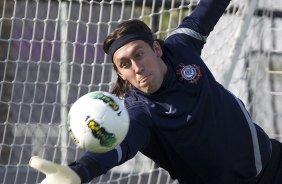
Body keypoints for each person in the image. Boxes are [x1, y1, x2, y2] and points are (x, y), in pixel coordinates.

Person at [29, 0, 282, 183]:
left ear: (156, 49)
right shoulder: (138, 114)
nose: (136, 67)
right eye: (125, 64)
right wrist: (79, 171)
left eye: (139, 54)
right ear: (121, 74)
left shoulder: (181, 47)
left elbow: (209, 8)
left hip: (274, 161)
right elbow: (116, 148)